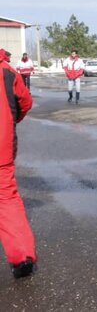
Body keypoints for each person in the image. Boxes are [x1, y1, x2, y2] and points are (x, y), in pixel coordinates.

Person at [0, 49, 36, 278]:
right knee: (7, 199)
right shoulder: (7, 71)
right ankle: (22, 256)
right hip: (1, 149)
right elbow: (25, 102)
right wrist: (11, 122)